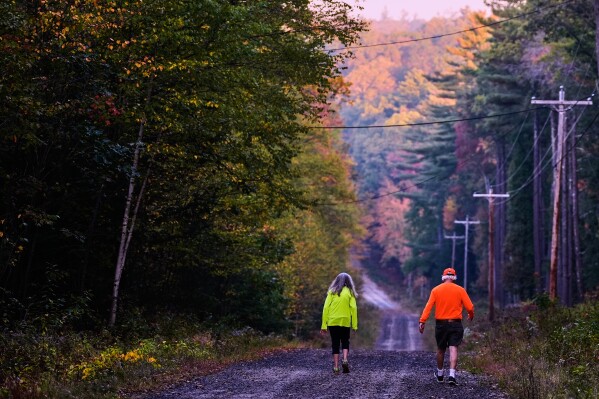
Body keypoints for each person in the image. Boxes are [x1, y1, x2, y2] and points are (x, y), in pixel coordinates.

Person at [418, 267, 474, 386]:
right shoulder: (460, 290)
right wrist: (471, 315)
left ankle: (439, 374)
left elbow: (428, 307)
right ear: (454, 277)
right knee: (454, 348)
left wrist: (422, 321)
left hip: (441, 324)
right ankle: (452, 376)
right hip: (455, 324)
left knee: (440, 349)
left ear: (443, 277)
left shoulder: (436, 290)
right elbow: (470, 307)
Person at [320, 272, 358, 374]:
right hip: (345, 320)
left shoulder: (331, 292)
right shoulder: (350, 292)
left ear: (336, 281)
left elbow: (326, 308)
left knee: (335, 343)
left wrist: (324, 325)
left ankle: (336, 367)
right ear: (348, 282)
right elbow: (353, 308)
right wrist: (354, 325)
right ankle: (345, 359)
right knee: (345, 341)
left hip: (333, 321)